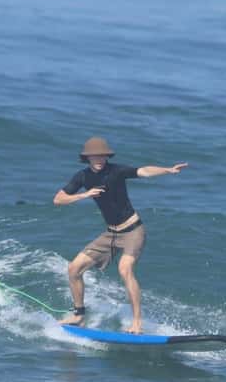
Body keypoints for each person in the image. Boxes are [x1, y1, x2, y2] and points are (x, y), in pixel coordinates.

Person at [53, 136, 188, 334]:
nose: (99, 159)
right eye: (95, 156)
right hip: (110, 234)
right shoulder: (82, 177)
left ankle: (136, 323)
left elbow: (143, 171)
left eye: (103, 156)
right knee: (74, 269)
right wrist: (83, 195)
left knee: (125, 269)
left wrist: (167, 170)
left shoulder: (116, 171)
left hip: (133, 230)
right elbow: (58, 199)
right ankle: (78, 315)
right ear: (87, 158)